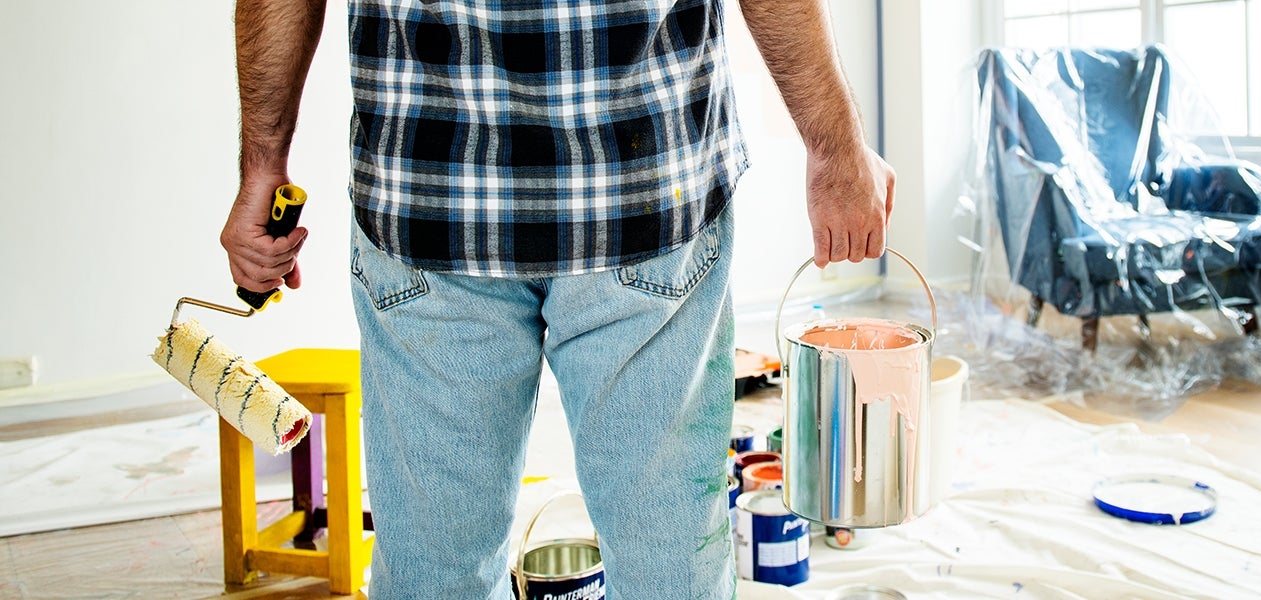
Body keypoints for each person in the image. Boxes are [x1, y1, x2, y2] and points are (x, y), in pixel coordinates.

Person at [221, 0, 894, 597]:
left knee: (437, 573)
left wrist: (263, 166)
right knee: (667, 565)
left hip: (431, 196)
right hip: (643, 191)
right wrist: (836, 150)